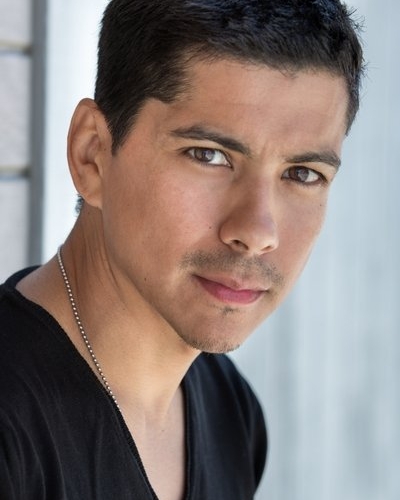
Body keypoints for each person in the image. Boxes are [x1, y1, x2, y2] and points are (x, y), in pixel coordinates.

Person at [0, 0, 364, 499]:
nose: (257, 231)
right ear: (92, 155)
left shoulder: (232, 413)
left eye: (303, 174)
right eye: (209, 155)